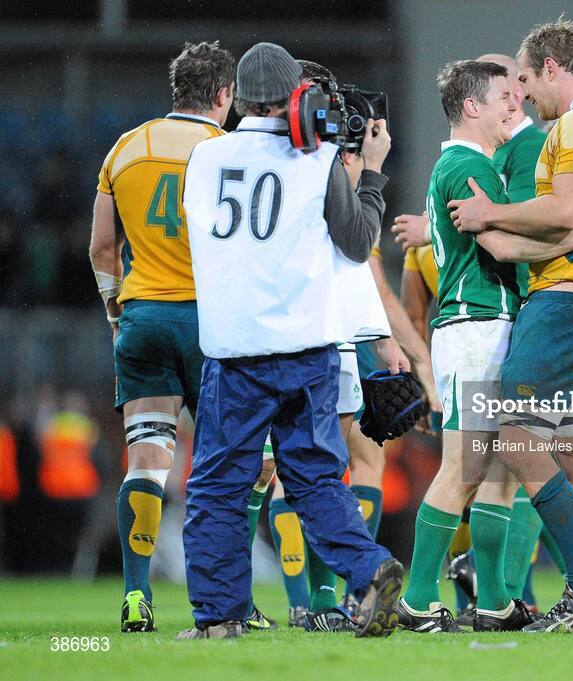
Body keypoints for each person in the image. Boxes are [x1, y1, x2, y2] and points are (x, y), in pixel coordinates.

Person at [178, 42, 403, 639]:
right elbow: (357, 245)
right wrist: (372, 176)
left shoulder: (203, 159)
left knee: (219, 488)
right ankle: (369, 569)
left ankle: (220, 618)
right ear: (296, 97)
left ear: (238, 99)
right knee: (317, 481)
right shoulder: (319, 160)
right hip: (309, 349)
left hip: (235, 350)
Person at [397, 58, 573, 634]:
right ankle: (418, 600)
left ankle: (494, 602)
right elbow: (499, 247)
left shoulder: (466, 163)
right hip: (475, 325)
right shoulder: (470, 165)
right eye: (501, 95)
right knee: (462, 469)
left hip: (481, 324)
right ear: (471, 107)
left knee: (497, 467)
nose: (513, 104)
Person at [448, 18, 573, 632]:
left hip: (569, 307)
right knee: (561, 447)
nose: (525, 93)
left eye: (527, 78)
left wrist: (490, 213)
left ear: (553, 68)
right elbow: (566, 227)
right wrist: (504, 238)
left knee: (515, 436)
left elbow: (564, 211)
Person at [88, 41, 236, 633]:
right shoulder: (227, 152)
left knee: (146, 463)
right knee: (232, 465)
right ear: (224, 95)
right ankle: (230, 600)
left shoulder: (127, 147)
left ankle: (135, 597)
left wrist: (115, 313)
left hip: (144, 318)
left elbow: (102, 248)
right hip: (211, 322)